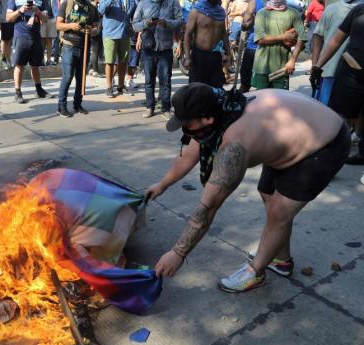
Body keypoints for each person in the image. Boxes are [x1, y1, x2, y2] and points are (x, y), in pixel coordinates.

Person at [146, 83, 350, 292]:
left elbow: (208, 207)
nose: (184, 129)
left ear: (206, 119)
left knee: (279, 213)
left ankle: (256, 272)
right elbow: (189, 154)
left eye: (186, 123)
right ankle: (281, 259)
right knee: (267, 194)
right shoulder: (218, 108)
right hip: (292, 135)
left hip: (326, 143)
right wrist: (162, 185)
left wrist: (178, 253)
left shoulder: (234, 146)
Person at [312, 3, 364, 166]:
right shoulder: (359, 9)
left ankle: (363, 153)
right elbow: (335, 40)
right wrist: (317, 67)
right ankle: (327, 159)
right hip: (352, 72)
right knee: (339, 118)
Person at [133, 0, 182, 119]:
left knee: (165, 80)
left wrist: (167, 23)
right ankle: (150, 107)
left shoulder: (173, 3)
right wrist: (146, 23)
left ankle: (166, 108)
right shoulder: (143, 3)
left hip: (165, 48)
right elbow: (135, 25)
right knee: (149, 81)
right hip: (148, 48)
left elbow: (180, 21)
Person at [310, 0, 360, 105]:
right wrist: (315, 66)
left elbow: (318, 36)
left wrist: (315, 66)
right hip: (330, 72)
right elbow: (319, 36)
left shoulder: (357, 10)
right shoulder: (332, 9)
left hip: (350, 76)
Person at [56, 0, 100, 117]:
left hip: (85, 46)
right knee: (67, 77)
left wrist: (92, 30)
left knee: (81, 78)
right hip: (69, 45)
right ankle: (62, 107)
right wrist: (71, 25)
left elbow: (96, 27)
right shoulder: (67, 4)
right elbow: (58, 25)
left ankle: (77, 104)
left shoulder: (91, 8)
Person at [250, 0, 306, 90]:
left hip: (283, 67)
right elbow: (260, 40)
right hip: (262, 66)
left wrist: (292, 61)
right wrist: (284, 37)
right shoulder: (261, 13)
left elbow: (302, 38)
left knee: (280, 100)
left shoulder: (294, 13)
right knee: (262, 99)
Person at [7, 0, 53, 103]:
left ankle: (39, 90)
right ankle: (17, 93)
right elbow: (8, 17)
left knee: (35, 65)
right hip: (20, 35)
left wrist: (38, 12)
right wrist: (20, 10)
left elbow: (45, 19)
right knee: (19, 65)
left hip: (36, 35)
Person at [183, 0, 232, 89]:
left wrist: (229, 53)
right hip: (199, 56)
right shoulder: (196, 11)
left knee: (216, 88)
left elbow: (224, 34)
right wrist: (187, 57)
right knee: (197, 89)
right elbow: (187, 34)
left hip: (215, 56)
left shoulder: (220, 12)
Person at [98, 0, 136, 98]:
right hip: (110, 34)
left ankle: (121, 85)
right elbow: (100, 10)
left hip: (125, 33)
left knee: (123, 61)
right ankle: (109, 87)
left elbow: (134, 12)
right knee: (110, 62)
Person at [238, 0, 265, 92]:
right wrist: (254, 19)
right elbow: (244, 26)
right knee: (245, 83)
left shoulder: (282, 4)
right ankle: (240, 104)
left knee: (266, 88)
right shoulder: (255, 2)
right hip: (253, 47)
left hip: (270, 49)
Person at [0, 0, 14, 69]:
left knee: (10, 41)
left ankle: (8, 60)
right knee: (5, 40)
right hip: (4, 18)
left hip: (14, 18)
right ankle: (4, 59)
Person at [41, 0, 56, 64]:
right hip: (42, 18)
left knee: (49, 40)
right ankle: (41, 59)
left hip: (52, 18)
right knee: (42, 40)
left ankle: (48, 60)